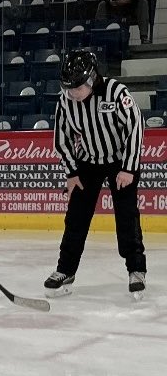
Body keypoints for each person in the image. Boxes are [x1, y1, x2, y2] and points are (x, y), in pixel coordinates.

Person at [44, 49, 147, 298]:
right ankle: (65, 270)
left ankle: (136, 270)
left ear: (91, 79)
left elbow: (136, 126)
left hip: (120, 161)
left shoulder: (116, 93)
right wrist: (71, 172)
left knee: (126, 217)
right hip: (88, 161)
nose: (72, 93)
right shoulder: (65, 101)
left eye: (77, 87)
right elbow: (62, 140)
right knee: (76, 219)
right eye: (68, 87)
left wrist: (128, 168)